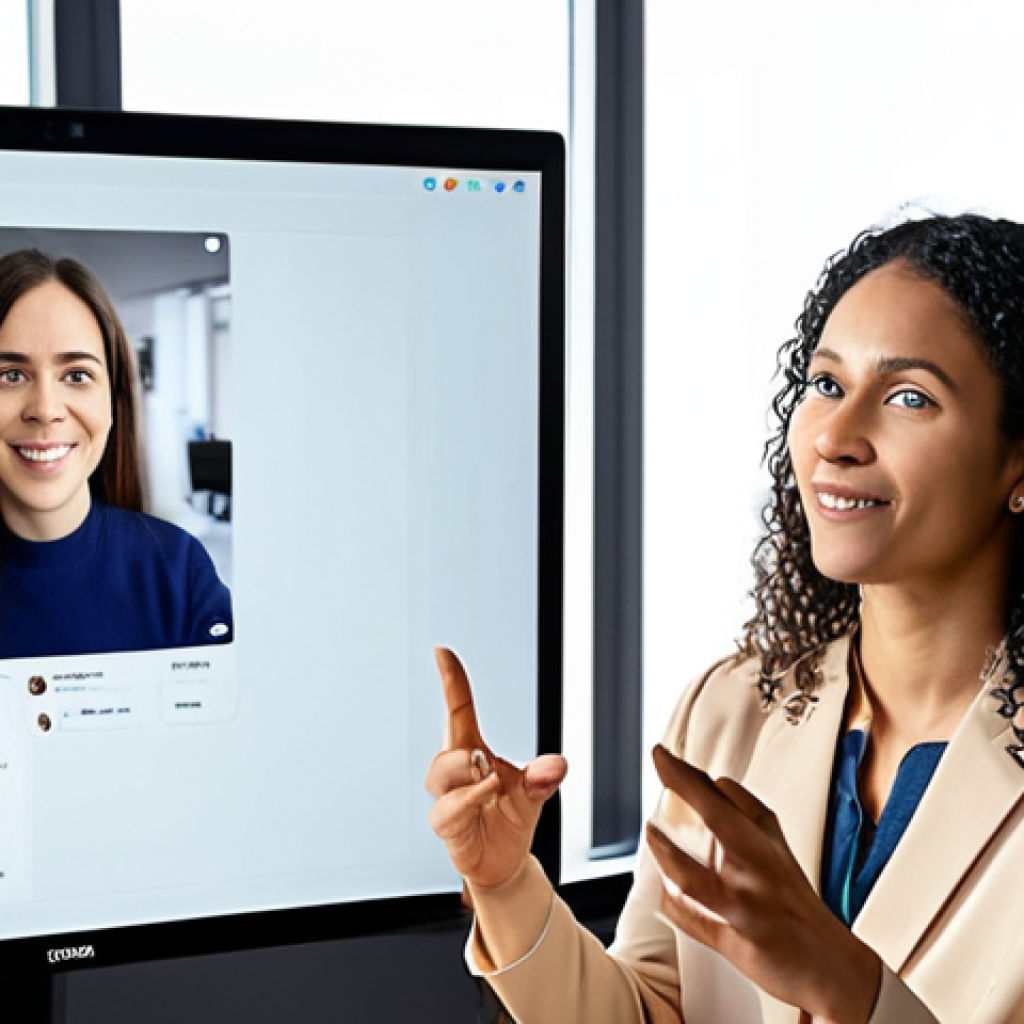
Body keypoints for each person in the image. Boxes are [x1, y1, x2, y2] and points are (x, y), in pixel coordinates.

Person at [426, 213, 1024, 1023]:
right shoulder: (731, 707)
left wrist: (848, 987)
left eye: (909, 397)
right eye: (825, 385)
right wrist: (506, 885)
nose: (836, 439)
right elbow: (653, 1012)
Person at [0, 248, 233, 658]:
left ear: (115, 401)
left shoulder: (178, 570)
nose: (46, 410)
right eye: (11, 375)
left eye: (77, 375)